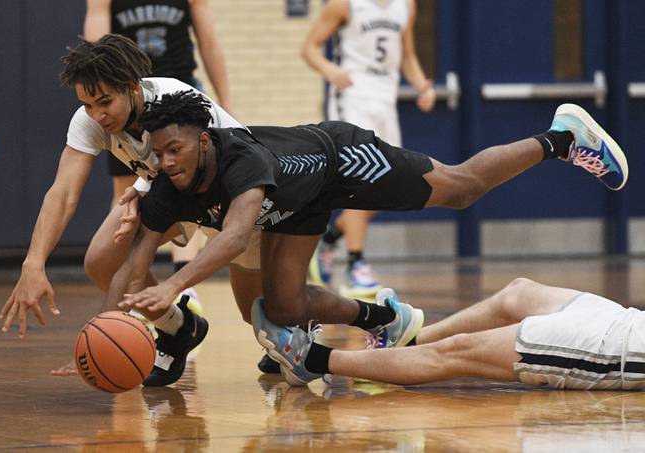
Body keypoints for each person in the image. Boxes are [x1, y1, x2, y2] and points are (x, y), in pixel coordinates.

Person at [110, 91, 627, 371]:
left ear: (203, 141)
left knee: (462, 187)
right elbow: (135, 264)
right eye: (158, 153)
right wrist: (113, 325)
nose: (167, 161)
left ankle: (561, 137)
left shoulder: (239, 161)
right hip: (297, 204)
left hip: (341, 160)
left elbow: (236, 237)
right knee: (284, 308)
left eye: (175, 149)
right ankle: (384, 317)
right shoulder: (167, 184)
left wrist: (174, 286)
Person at [0, 34, 266, 385]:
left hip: (234, 196)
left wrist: (142, 192)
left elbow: (201, 172)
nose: (96, 114)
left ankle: (300, 329)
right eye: (87, 104)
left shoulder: (172, 101)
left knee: (258, 315)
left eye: (104, 102)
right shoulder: (90, 121)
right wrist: (33, 263)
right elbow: (63, 193)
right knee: (101, 261)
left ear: (132, 87)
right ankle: (179, 327)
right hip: (172, 195)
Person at [84, 0, 233, 300]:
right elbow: (95, 48)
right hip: (128, 98)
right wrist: (100, 91)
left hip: (178, 94)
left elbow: (209, 42)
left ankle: (185, 284)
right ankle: (127, 272)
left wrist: (225, 102)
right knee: (126, 191)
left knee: (190, 184)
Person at [254, 278, 645, 390]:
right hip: (628, 320)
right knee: (518, 293)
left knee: (460, 351)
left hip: (619, 350)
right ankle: (404, 336)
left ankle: (312, 361)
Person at [301, 0, 436, 298]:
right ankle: (355, 265)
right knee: (361, 180)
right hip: (353, 98)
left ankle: (331, 236)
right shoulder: (344, 4)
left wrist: (421, 87)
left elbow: (407, 56)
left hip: (385, 102)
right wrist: (330, 70)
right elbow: (309, 48)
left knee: (390, 184)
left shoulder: (406, 6)